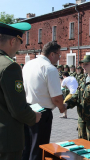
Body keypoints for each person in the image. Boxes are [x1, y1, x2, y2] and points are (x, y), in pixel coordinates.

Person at [0, 22, 41, 160]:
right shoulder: (9, 66)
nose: (19, 48)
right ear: (13, 41)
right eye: (19, 42)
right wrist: (33, 117)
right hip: (6, 142)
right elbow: (18, 109)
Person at [22, 41, 66, 160]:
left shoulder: (28, 64)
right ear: (52, 54)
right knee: (38, 148)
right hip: (42, 113)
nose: (59, 58)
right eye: (58, 55)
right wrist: (63, 108)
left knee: (26, 146)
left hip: (27, 109)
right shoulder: (50, 69)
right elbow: (56, 98)